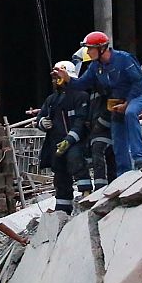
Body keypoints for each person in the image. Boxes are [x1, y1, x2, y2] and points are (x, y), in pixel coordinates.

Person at [68, 31, 142, 173]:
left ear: (101, 48)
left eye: (90, 48)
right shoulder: (95, 67)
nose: (87, 52)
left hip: (136, 95)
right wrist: (67, 79)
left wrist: (127, 103)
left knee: (130, 113)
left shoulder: (124, 59)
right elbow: (81, 84)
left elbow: (138, 84)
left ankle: (140, 158)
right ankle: (124, 173)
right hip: (118, 102)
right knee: (118, 135)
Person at [38, 60, 91, 214]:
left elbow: (81, 122)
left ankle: (86, 193)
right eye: (54, 78)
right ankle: (62, 209)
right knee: (60, 174)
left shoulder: (80, 96)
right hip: (56, 142)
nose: (55, 81)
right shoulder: (52, 100)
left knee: (76, 161)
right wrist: (42, 122)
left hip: (75, 142)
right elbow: (41, 116)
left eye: (57, 77)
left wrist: (69, 140)